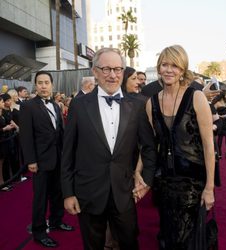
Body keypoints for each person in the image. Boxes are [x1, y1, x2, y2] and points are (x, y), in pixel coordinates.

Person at [61, 47, 156, 250]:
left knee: (130, 243)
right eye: (106, 69)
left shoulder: (138, 105)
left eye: (117, 69)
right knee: (93, 245)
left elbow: (148, 147)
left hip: (125, 191)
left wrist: (146, 180)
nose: (112, 75)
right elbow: (68, 152)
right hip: (89, 192)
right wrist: (68, 193)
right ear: (95, 71)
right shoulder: (78, 105)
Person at [138, 45, 215, 249]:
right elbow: (149, 146)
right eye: (164, 64)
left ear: (182, 70)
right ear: (159, 68)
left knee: (190, 239)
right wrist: (139, 172)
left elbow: (208, 146)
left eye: (175, 65)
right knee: (168, 235)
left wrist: (209, 188)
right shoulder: (151, 103)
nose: (169, 70)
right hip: (164, 183)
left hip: (193, 183)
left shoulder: (196, 97)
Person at [19, 71, 74, 248]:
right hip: (41, 161)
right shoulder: (28, 106)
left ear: (52, 84)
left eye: (46, 82)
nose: (43, 86)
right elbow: (26, 136)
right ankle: (39, 231)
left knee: (58, 194)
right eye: (40, 83)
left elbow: (60, 132)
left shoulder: (56, 106)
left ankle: (57, 221)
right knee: (40, 198)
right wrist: (31, 160)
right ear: (35, 85)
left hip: (58, 159)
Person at [212, 89, 226, 159]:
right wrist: (219, 116)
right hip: (220, 122)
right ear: (223, 95)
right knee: (220, 138)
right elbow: (213, 112)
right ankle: (220, 152)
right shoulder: (217, 103)